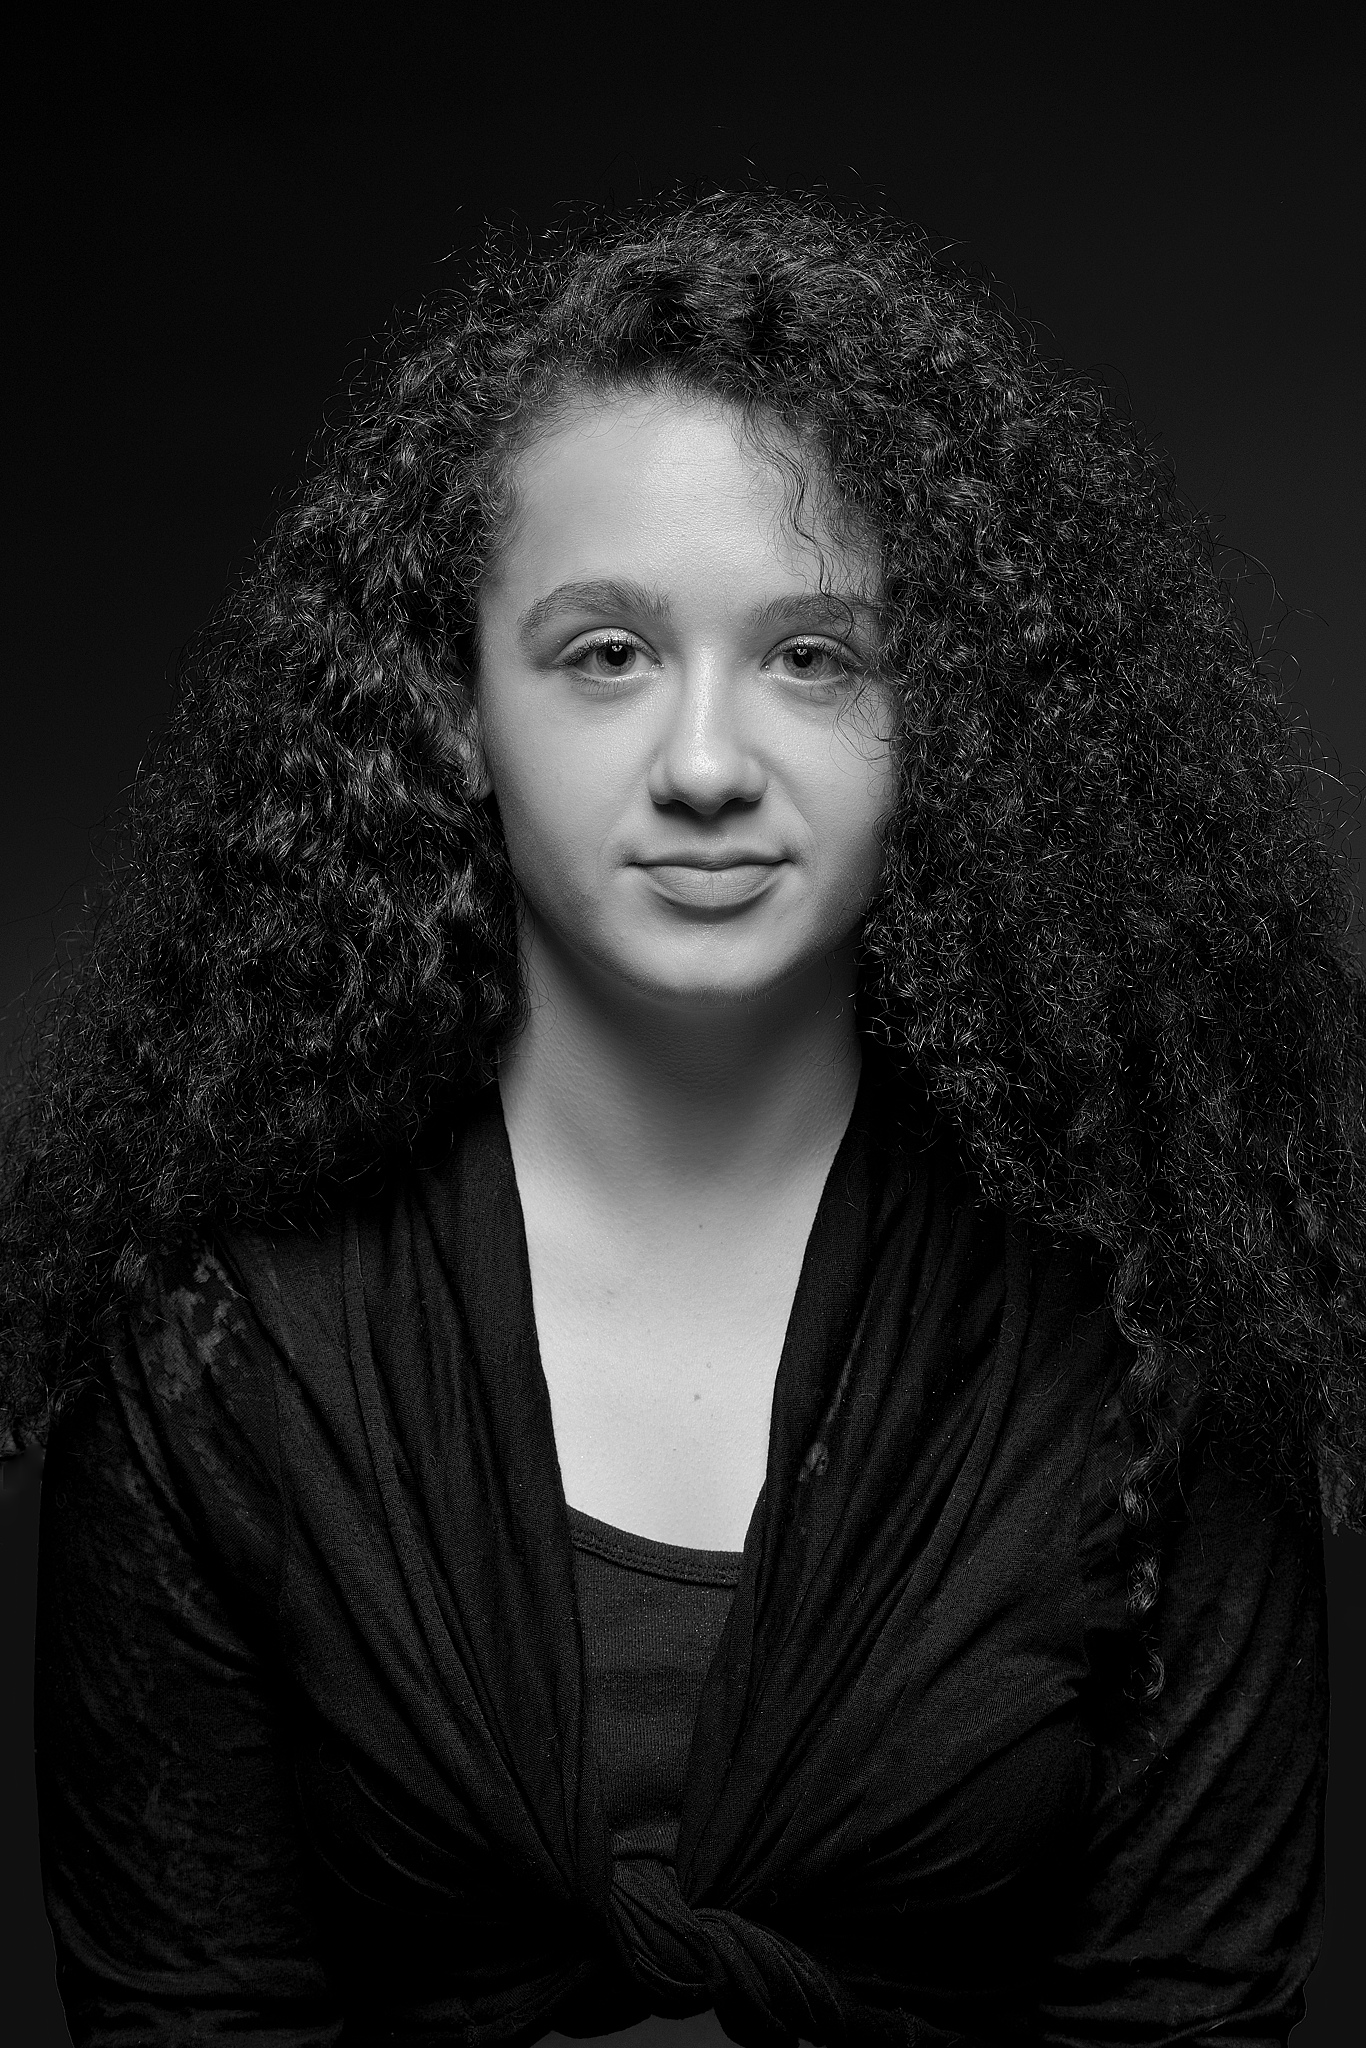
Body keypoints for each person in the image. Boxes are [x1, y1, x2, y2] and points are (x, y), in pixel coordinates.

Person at [4, 187, 1364, 2048]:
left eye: (815, 656)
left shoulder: (1160, 1333)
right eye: (604, 653)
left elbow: (1185, 2020)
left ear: (946, 719)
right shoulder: (214, 1351)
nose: (708, 764)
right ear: (453, 706)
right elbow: (186, 2018)